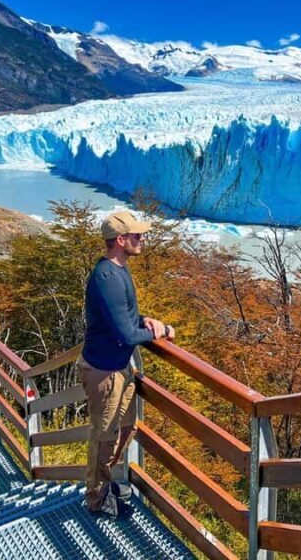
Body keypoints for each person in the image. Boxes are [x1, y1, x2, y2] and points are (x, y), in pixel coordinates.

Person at [79, 210, 175, 517]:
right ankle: (97, 498)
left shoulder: (118, 270)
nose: (142, 239)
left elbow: (123, 316)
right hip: (106, 372)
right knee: (104, 435)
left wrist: (144, 319)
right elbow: (124, 332)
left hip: (119, 366)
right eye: (136, 236)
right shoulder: (107, 276)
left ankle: (104, 483)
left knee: (126, 427)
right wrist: (161, 332)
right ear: (120, 240)